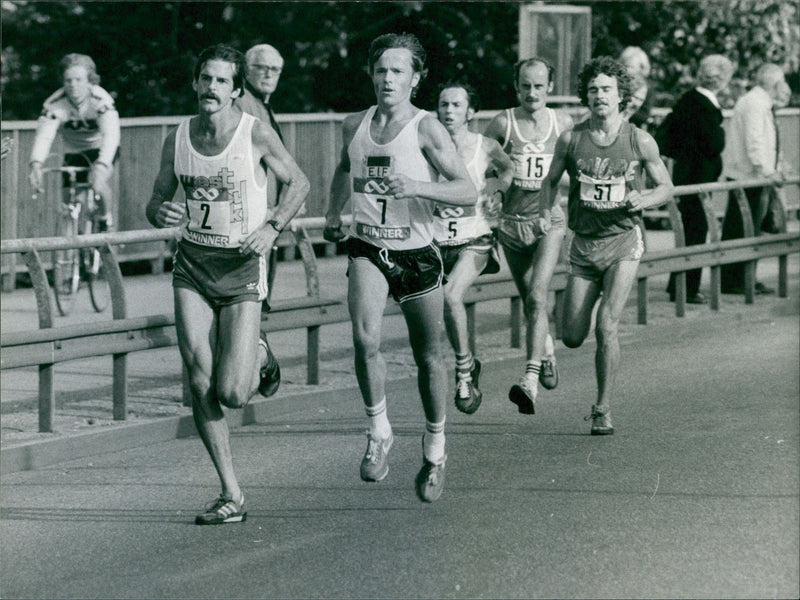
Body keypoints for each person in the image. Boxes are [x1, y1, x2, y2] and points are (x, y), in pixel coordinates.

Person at [145, 44, 310, 524]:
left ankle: (258, 353)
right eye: (205, 79)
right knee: (199, 380)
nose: (211, 88)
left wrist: (273, 226)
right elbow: (155, 199)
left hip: (241, 268)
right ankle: (231, 493)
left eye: (222, 81)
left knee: (234, 392)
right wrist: (161, 211)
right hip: (193, 266)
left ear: (237, 91)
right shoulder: (177, 137)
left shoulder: (254, 134)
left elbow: (298, 182)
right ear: (195, 84)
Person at [323, 33, 477, 502]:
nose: (387, 79)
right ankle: (379, 432)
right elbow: (343, 171)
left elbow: (467, 190)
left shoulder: (428, 128)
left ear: (415, 78)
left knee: (429, 354)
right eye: (380, 70)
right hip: (369, 247)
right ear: (371, 74)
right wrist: (334, 213)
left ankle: (435, 448)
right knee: (364, 337)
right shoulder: (356, 122)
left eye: (397, 71)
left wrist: (416, 187)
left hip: (416, 253)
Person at [540, 56, 673, 435]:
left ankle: (602, 407)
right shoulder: (571, 138)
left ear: (621, 97)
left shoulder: (638, 139)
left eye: (607, 90)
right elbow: (550, 181)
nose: (599, 96)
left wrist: (644, 200)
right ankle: (560, 336)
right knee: (572, 335)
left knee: (607, 326)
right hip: (583, 245)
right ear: (586, 95)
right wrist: (545, 213)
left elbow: (666, 187)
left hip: (623, 243)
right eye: (594, 89)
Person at [484, 57, 574, 415]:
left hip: (548, 221)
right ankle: (547, 350)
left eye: (539, 85)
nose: (532, 92)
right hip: (511, 224)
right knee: (530, 302)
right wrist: (494, 187)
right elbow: (481, 163)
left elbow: (574, 169)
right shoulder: (503, 123)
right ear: (516, 86)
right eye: (525, 85)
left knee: (538, 297)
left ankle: (530, 380)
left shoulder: (563, 123)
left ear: (549, 87)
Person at [434, 81, 513, 415]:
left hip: (475, 238)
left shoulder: (485, 145)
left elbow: (508, 168)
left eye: (456, 105)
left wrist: (496, 190)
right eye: (443, 105)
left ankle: (464, 371)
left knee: (452, 296)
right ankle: (466, 364)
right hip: (436, 240)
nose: (449, 111)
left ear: (470, 111)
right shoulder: (426, 143)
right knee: (431, 313)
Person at [236, 42, 288, 392]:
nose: (269, 74)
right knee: (251, 297)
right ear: (246, 69)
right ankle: (258, 363)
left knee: (256, 298)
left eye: (275, 70)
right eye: (262, 68)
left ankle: (256, 362)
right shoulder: (243, 105)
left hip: (266, 221)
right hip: (251, 220)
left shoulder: (263, 106)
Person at [663, 55, 734, 304]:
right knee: (696, 231)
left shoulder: (686, 100)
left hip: (685, 175)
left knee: (687, 232)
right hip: (700, 178)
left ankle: (679, 285)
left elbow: (667, 136)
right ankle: (687, 288)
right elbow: (713, 143)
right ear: (721, 79)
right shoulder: (705, 105)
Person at [29, 53, 120, 230]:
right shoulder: (54, 104)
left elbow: (111, 135)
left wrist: (101, 165)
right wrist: (36, 165)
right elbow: (44, 137)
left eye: (79, 80)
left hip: (100, 148)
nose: (73, 86)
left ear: (90, 81)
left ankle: (105, 219)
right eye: (68, 80)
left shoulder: (102, 100)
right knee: (68, 199)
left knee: (98, 182)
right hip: (74, 150)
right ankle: (71, 244)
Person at [720, 63, 789, 295]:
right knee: (743, 230)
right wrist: (768, 171)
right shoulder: (755, 104)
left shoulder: (758, 103)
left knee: (748, 229)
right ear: (774, 83)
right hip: (750, 177)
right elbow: (755, 142)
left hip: (752, 176)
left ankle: (743, 278)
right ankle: (736, 281)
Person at [618, 46, 654, 130]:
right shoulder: (616, 84)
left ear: (642, 68)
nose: (627, 70)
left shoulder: (646, 88)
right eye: (625, 65)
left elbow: (645, 114)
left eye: (631, 66)